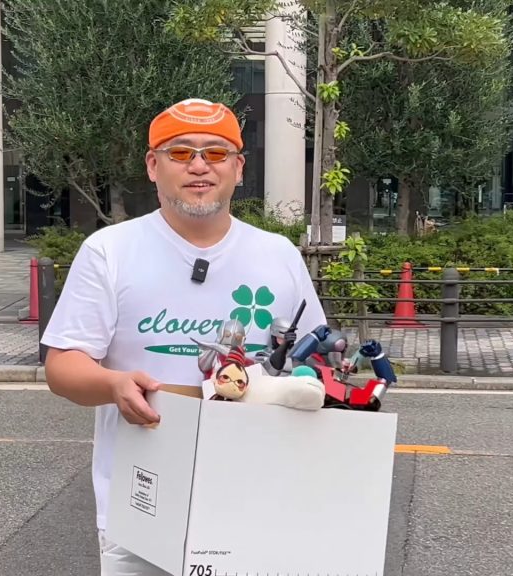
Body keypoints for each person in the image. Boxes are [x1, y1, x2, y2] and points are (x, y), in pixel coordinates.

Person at [39, 97, 327, 575]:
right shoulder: (110, 251)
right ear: (153, 166)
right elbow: (62, 366)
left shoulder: (278, 255)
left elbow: (313, 363)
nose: (199, 165)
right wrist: (113, 384)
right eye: (180, 152)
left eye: (215, 152)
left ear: (239, 168)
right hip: (144, 504)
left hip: (262, 497)